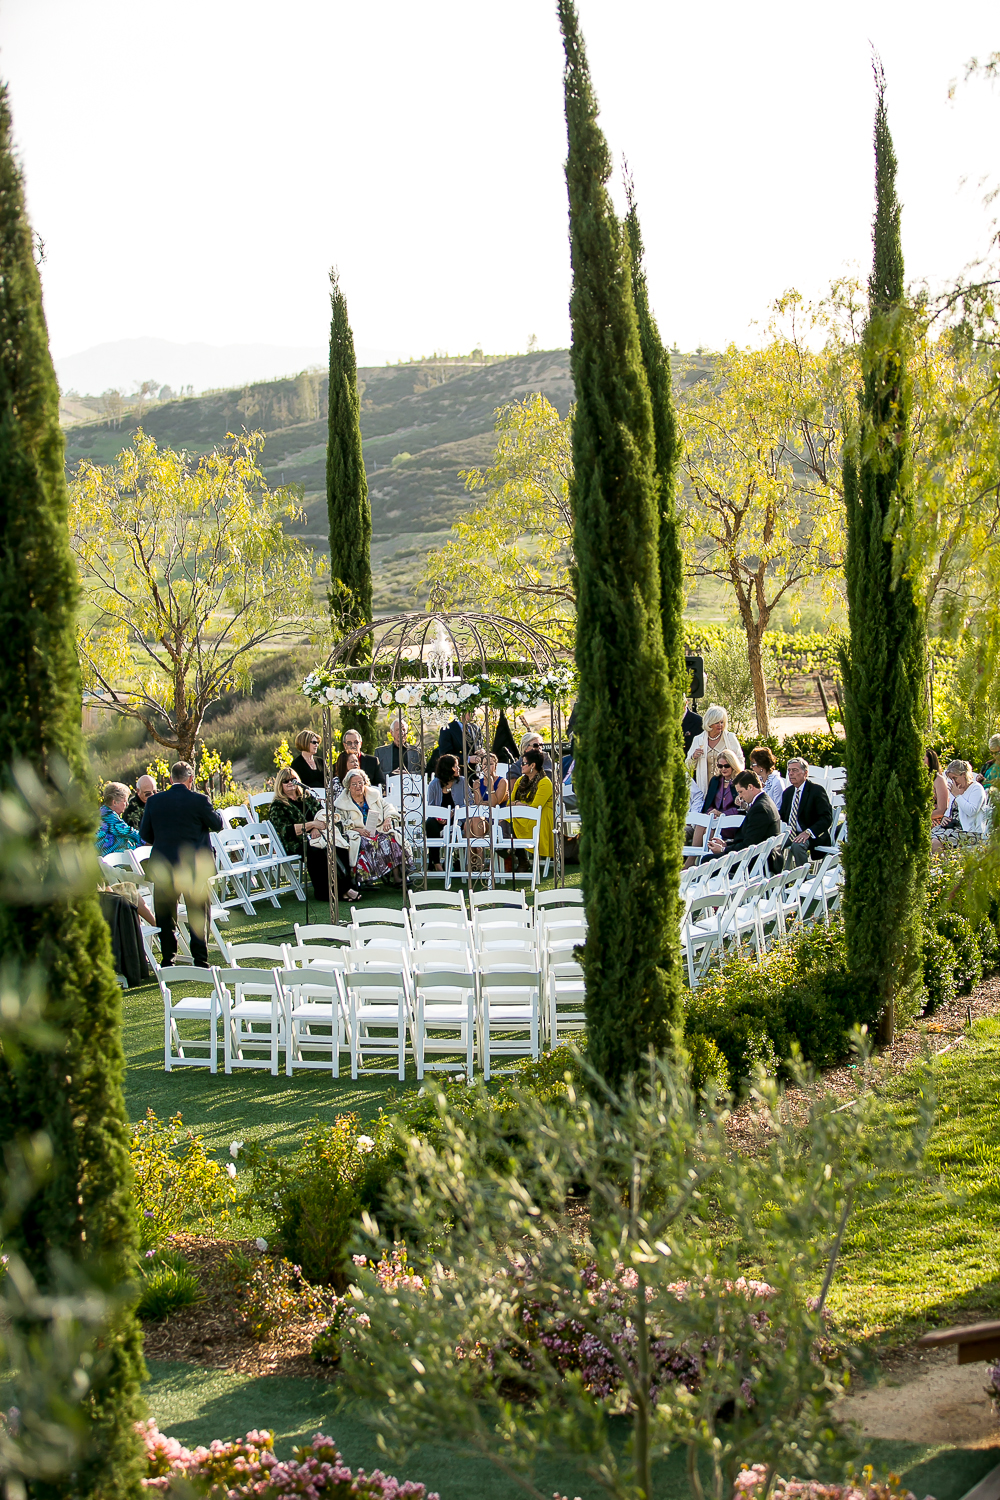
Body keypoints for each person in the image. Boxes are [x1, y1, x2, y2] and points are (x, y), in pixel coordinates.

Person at [139, 761, 224, 968]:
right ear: (191, 779)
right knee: (198, 912)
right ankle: (200, 960)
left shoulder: (154, 802)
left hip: (164, 864)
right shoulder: (200, 800)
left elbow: (145, 834)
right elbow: (218, 825)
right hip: (193, 866)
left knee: (165, 915)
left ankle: (168, 959)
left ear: (170, 779)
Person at [268, 767, 360, 903]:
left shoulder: (306, 797)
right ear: (280, 785)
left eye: (292, 780)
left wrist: (316, 827)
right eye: (285, 781)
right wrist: (312, 826)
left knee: (339, 845)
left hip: (319, 834)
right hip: (297, 842)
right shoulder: (278, 806)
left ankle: (345, 887)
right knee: (318, 852)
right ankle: (330, 892)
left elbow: (322, 813)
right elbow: (285, 830)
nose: (289, 783)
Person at [336, 768, 405, 885]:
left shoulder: (373, 795)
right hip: (358, 833)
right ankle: (366, 880)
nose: (358, 786)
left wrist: (388, 819)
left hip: (377, 829)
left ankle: (396, 876)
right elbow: (340, 822)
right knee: (366, 843)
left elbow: (388, 807)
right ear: (348, 786)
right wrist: (358, 830)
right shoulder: (342, 802)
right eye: (354, 784)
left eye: (360, 783)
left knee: (391, 839)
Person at [706, 770, 781, 860]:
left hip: (758, 860)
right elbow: (748, 839)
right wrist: (726, 844)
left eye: (741, 792)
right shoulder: (764, 801)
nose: (740, 796)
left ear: (750, 787)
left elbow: (749, 845)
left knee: (707, 861)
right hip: (758, 855)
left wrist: (723, 849)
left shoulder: (760, 808)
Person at [684, 751, 741, 865]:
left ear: (733, 765)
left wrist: (721, 814)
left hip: (730, 822)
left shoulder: (739, 782)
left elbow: (740, 809)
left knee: (708, 828)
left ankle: (701, 864)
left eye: (726, 766)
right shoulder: (715, 781)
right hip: (713, 819)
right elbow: (709, 803)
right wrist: (712, 812)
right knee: (702, 824)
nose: (723, 769)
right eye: (720, 766)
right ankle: (694, 859)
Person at [778, 758, 833, 865]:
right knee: (770, 844)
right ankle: (777, 877)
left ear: (805, 773)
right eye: (789, 770)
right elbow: (783, 816)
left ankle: (801, 878)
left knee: (797, 846)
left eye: (795, 770)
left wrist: (808, 832)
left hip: (812, 834)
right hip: (790, 833)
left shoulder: (816, 791)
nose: (791, 774)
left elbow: (826, 818)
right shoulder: (787, 793)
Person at [685, 705, 744, 799]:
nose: (720, 725)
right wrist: (694, 757)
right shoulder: (698, 739)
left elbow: (740, 760)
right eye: (717, 722)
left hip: (727, 788)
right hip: (705, 788)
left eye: (722, 722)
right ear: (709, 723)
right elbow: (688, 766)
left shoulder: (730, 738)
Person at [510, 749, 553, 870]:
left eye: (523, 763)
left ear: (532, 765)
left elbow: (535, 808)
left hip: (540, 819)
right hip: (524, 817)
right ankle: (521, 858)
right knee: (508, 818)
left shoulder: (545, 782)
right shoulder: (520, 780)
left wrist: (517, 804)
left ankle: (513, 854)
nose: (521, 766)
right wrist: (520, 804)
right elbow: (509, 803)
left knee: (510, 820)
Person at [932, 761, 989, 852]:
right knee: (926, 837)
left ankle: (943, 864)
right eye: (951, 779)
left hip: (970, 832)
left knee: (935, 842)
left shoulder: (976, 788)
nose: (953, 782)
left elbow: (972, 811)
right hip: (952, 828)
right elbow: (949, 810)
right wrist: (945, 818)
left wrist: (957, 796)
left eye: (955, 778)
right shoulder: (957, 789)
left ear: (963, 775)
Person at [426, 753, 466, 870]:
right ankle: (436, 862)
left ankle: (458, 861)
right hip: (438, 818)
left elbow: (470, 802)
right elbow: (431, 806)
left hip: (457, 817)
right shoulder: (434, 785)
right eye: (456, 766)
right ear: (448, 768)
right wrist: (439, 817)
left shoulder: (462, 782)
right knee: (430, 824)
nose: (458, 768)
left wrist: (454, 811)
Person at [96, 783, 143, 855]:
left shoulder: (102, 812)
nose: (127, 804)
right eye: (125, 801)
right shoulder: (109, 816)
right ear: (114, 802)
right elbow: (129, 832)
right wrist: (149, 839)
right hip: (109, 860)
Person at [926, 748, 950, 826]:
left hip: (934, 821)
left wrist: (921, 816)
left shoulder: (939, 780)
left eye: (923, 759)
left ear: (931, 761)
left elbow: (942, 810)